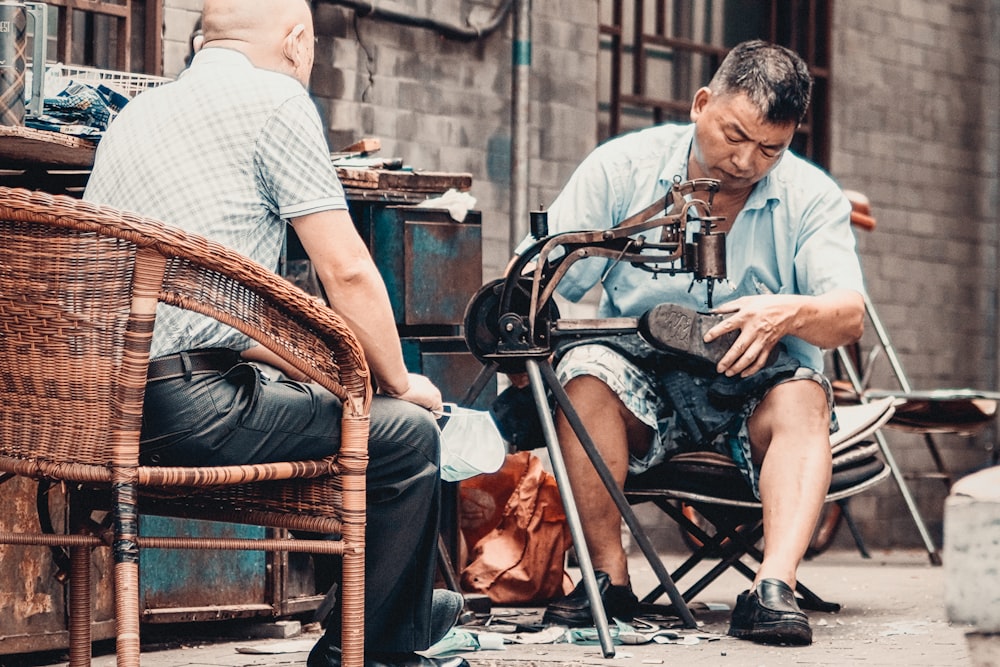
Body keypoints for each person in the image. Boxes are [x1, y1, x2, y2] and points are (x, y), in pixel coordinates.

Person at [83, 2, 467, 667]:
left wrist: (339, 374)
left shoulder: (134, 115)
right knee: (407, 432)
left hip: (97, 408)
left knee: (356, 411)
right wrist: (403, 383)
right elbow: (346, 271)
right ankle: (373, 646)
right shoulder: (276, 100)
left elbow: (207, 315)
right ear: (297, 40)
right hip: (191, 408)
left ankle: (382, 614)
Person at [516, 40, 866, 645]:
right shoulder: (621, 171)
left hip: (757, 383)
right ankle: (607, 578)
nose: (747, 161)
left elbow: (847, 316)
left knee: (806, 395)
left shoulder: (811, 197)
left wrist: (787, 312)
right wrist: (525, 322)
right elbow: (542, 278)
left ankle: (772, 588)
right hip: (642, 381)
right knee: (585, 375)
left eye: (770, 149)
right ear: (701, 103)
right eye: (734, 135)